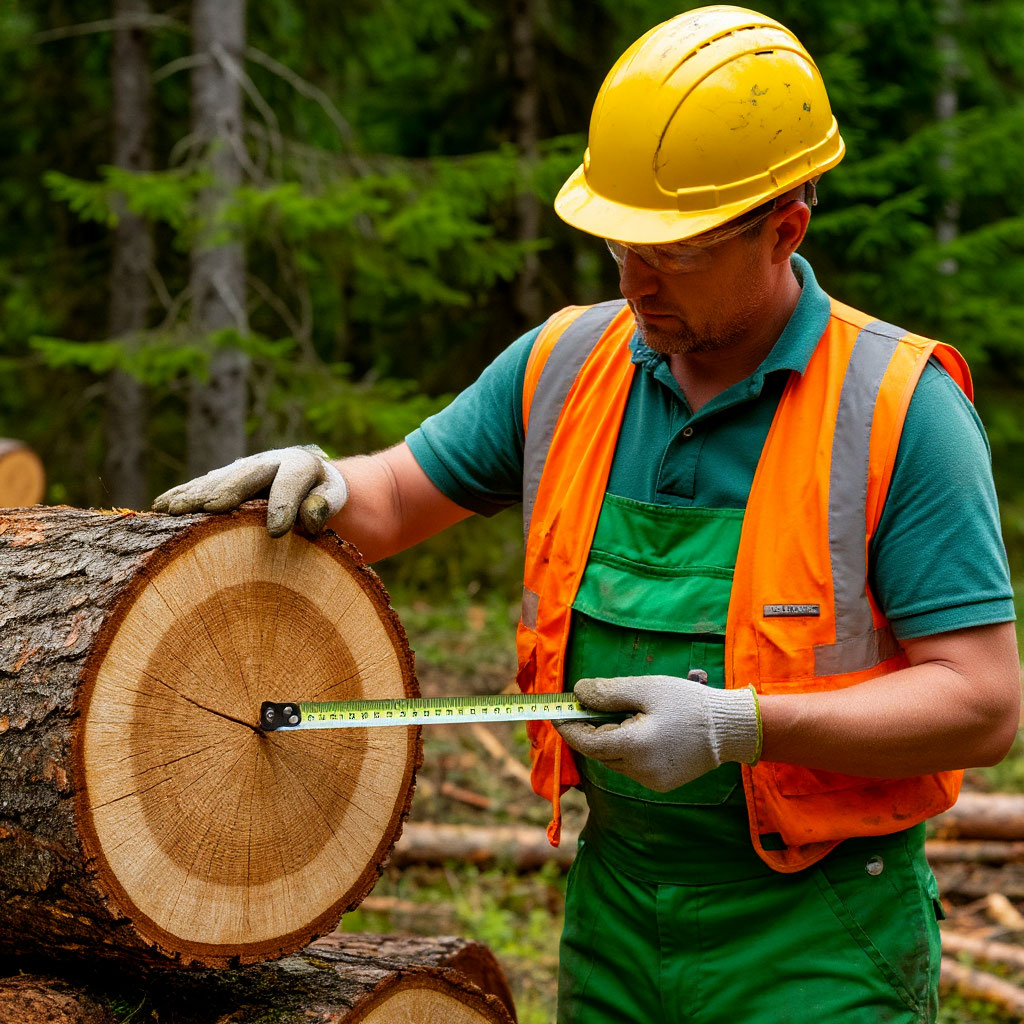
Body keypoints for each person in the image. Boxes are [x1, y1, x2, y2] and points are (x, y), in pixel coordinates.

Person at [153, 7, 1021, 1022]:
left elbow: (981, 702)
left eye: (675, 253)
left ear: (784, 227)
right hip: (614, 914)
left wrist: (740, 727)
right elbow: (393, 499)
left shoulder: (896, 408)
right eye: (621, 244)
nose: (633, 280)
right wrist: (328, 481)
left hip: (820, 935)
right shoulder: (567, 363)